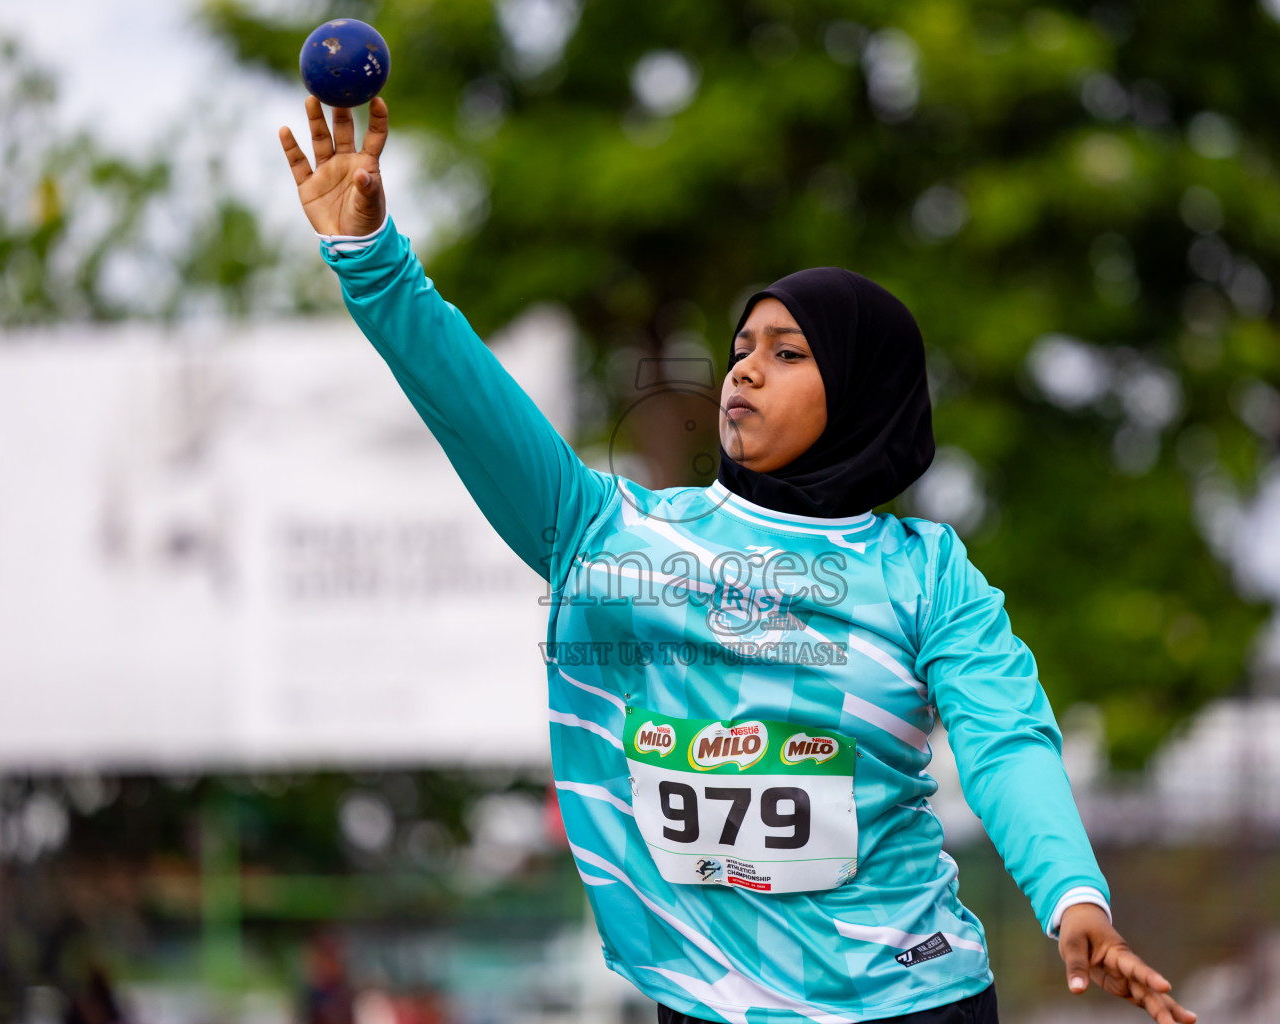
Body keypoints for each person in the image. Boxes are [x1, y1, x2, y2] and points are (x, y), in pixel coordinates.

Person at [278, 97, 1197, 1024]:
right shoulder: (611, 535)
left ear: (862, 395)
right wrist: (374, 261)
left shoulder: (926, 573)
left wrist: (1073, 894)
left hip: (912, 1001)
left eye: (788, 352)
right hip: (711, 1004)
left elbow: (1005, 740)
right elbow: (471, 401)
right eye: (738, 349)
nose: (744, 370)